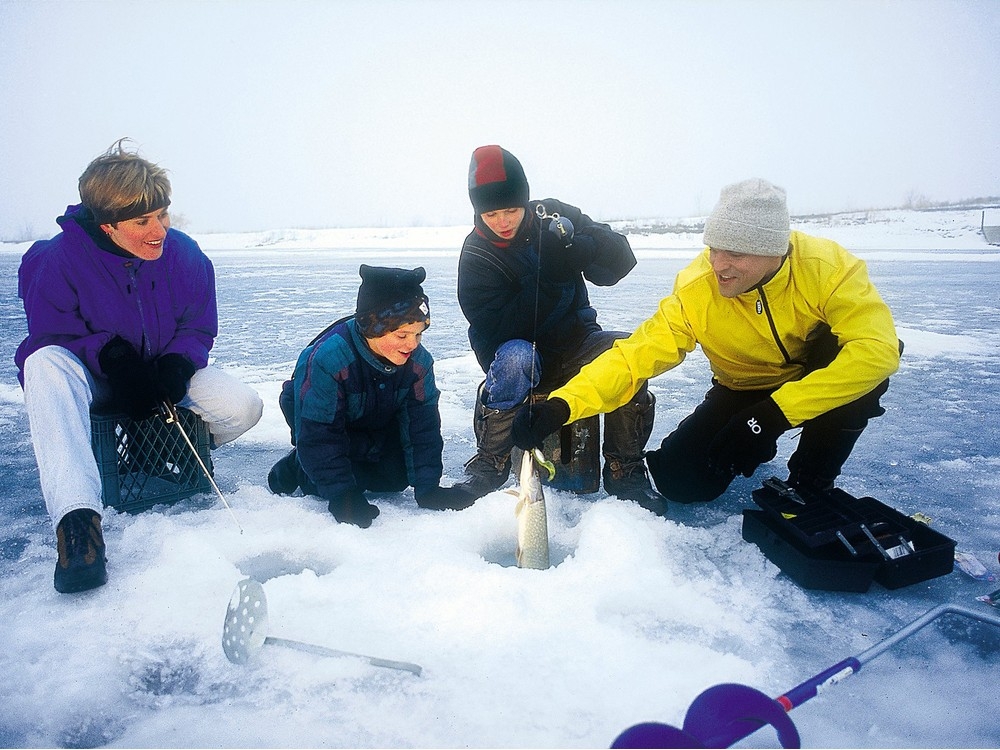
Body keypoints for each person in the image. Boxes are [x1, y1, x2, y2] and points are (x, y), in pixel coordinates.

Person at [513, 178, 901, 507]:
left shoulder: (826, 269)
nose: (718, 264)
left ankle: (810, 479)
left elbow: (878, 349)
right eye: (713, 248)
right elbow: (634, 357)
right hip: (741, 389)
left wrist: (773, 417)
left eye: (734, 252)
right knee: (680, 482)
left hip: (812, 377)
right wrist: (563, 405)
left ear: (774, 250)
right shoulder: (699, 288)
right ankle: (750, 442)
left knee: (862, 371)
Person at [15, 139, 264, 595]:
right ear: (107, 226)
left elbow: (198, 327)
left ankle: (156, 445)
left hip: (159, 376)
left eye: (163, 214)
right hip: (96, 378)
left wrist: (175, 363)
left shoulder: (186, 255)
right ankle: (78, 523)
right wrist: (112, 356)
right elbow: (52, 333)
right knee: (43, 366)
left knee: (242, 406)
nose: (160, 230)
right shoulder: (56, 261)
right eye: (142, 221)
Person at [454, 144, 665, 515]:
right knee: (517, 357)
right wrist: (550, 278)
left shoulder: (553, 215)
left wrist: (584, 248)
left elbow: (621, 261)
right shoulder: (476, 257)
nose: (503, 220)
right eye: (492, 213)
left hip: (577, 341)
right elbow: (497, 328)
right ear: (478, 211)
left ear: (525, 200)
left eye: (511, 209)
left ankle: (625, 468)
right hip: (515, 354)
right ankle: (490, 460)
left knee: (628, 354)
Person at [267, 264, 477, 527]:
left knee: (395, 478)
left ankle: (355, 462)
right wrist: (342, 495)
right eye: (402, 334)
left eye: (418, 334)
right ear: (373, 327)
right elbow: (320, 434)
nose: (412, 344)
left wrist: (428, 488)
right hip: (321, 424)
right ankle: (298, 465)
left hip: (375, 418)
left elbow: (423, 427)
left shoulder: (419, 363)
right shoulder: (329, 360)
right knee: (320, 479)